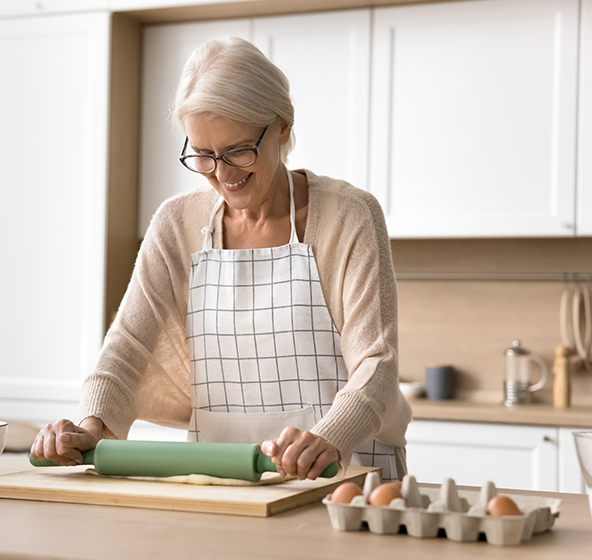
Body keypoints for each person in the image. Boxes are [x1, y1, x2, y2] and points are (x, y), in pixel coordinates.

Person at [30, 36, 412, 481]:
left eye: (237, 151)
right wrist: (91, 424)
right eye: (204, 155)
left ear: (283, 126)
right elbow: (128, 347)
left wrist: (329, 436)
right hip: (224, 480)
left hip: (343, 472)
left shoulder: (349, 216)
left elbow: (378, 363)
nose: (223, 174)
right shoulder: (177, 223)